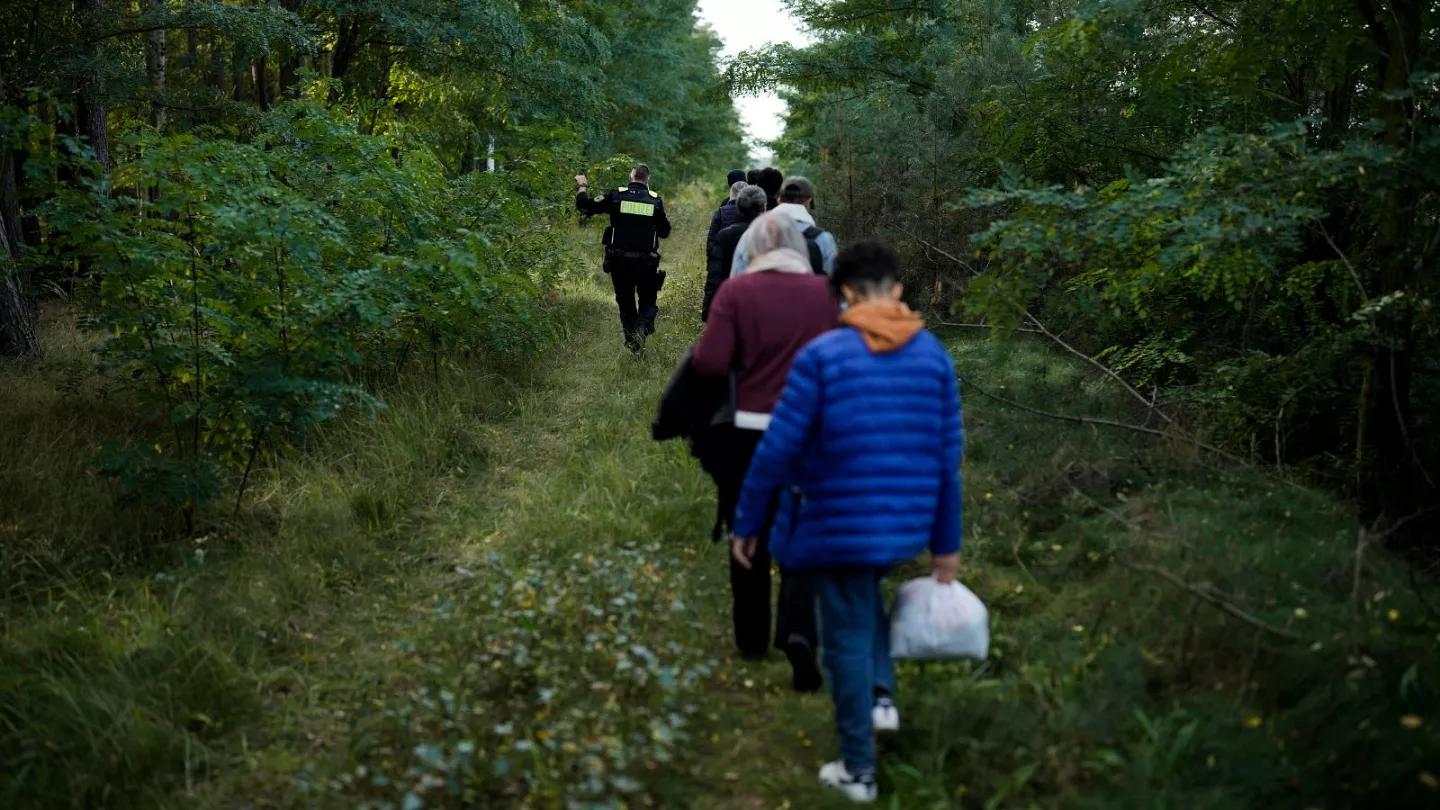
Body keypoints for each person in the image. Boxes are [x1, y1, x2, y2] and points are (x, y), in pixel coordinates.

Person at [731, 240, 964, 803]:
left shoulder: (823, 357)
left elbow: (779, 449)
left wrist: (748, 520)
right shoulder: (933, 356)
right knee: (866, 604)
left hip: (833, 525)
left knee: (844, 638)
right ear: (899, 290)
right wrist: (945, 545)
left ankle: (859, 770)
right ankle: (882, 697)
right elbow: (946, 459)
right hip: (900, 525)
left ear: (843, 295)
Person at [691, 210, 841, 691]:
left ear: (752, 251)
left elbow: (711, 361)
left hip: (748, 431)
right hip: (810, 432)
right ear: (802, 250)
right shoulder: (826, 295)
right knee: (802, 526)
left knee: (746, 523)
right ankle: (797, 626)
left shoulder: (736, 293)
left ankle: (751, 638)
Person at [574, 164, 672, 352]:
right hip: (647, 262)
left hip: (620, 262)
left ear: (631, 176)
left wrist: (583, 185)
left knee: (626, 303)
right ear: (647, 179)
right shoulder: (655, 201)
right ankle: (642, 328)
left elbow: (584, 205)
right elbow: (665, 232)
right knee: (648, 302)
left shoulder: (615, 196)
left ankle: (634, 343)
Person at [731, 175, 838, 277]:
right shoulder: (823, 239)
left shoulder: (752, 234)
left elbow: (738, 275)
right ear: (809, 201)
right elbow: (833, 284)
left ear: (779, 200)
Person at [702, 185, 765, 321]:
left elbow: (715, 274)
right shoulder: (774, 234)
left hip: (732, 302)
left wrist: (708, 308)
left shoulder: (725, 235)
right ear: (763, 208)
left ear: (739, 207)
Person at [707, 179, 749, 248]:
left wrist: (712, 256)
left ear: (731, 193)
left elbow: (711, 238)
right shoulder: (754, 211)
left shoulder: (721, 211)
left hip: (724, 253)